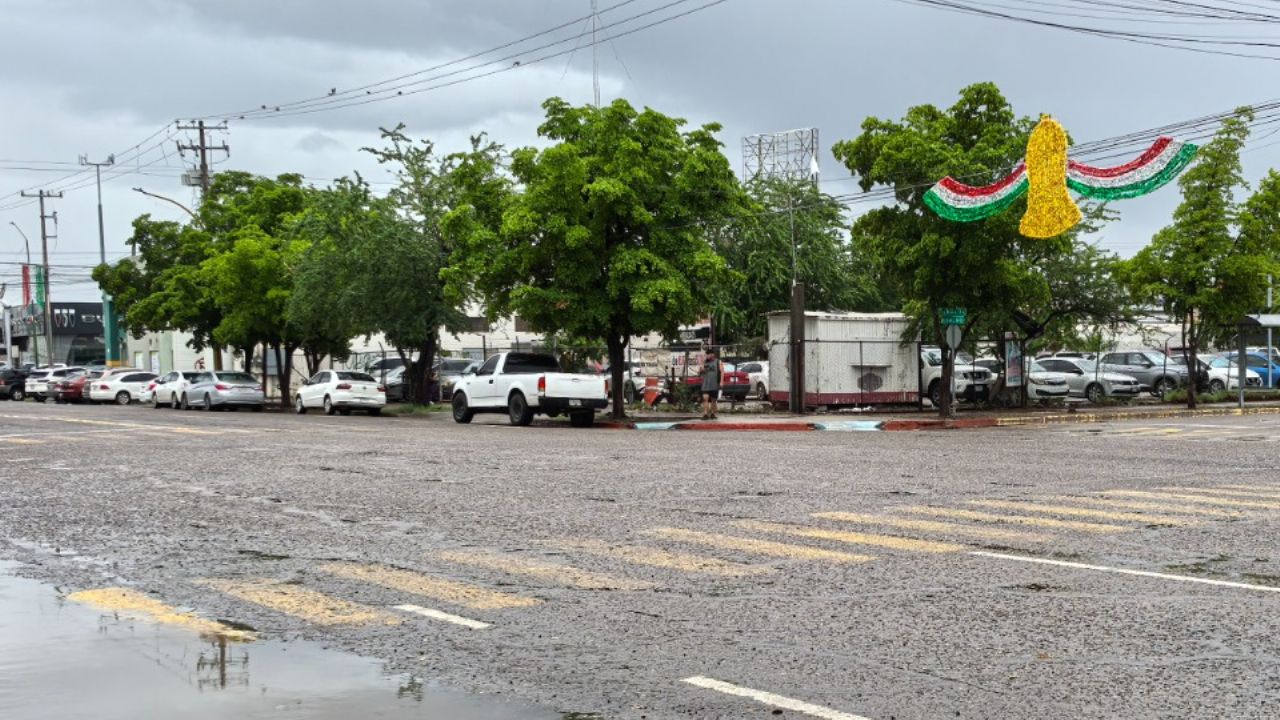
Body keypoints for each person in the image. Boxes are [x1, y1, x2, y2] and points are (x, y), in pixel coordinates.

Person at [701, 349, 721, 420]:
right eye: (706, 355)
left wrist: (721, 381)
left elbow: (722, 371)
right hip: (706, 384)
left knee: (713, 400)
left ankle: (713, 413)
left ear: (712, 354)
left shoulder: (717, 362)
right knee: (705, 398)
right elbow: (700, 371)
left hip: (714, 384)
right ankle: (705, 414)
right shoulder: (704, 362)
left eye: (708, 354)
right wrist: (702, 369)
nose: (707, 356)